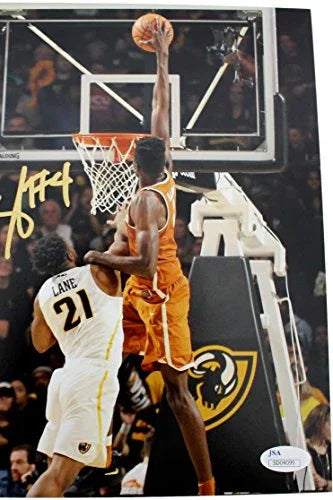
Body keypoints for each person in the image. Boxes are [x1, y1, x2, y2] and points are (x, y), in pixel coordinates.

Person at [84, 19, 215, 495]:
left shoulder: (144, 201)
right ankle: (103, 447)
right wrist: (162, 56)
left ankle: (207, 483)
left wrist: (99, 255)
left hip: (160, 293)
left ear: (134, 164)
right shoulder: (165, 169)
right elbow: (161, 108)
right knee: (101, 356)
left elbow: (142, 264)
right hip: (142, 292)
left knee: (178, 394)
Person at [27, 234, 124, 497]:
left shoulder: (42, 295)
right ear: (70, 254)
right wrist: (119, 223)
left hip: (65, 378)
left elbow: (40, 344)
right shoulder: (98, 272)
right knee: (58, 476)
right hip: (92, 377)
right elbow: (124, 243)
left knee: (71, 467)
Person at [305, 404, 331, 492]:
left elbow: (322, 483)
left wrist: (326, 483)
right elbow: (315, 480)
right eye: (331, 424)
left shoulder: (330, 447)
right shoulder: (305, 447)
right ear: (319, 423)